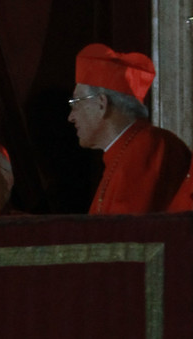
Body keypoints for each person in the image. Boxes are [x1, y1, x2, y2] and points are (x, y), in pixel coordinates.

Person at [67, 42, 190, 214]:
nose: (71, 117)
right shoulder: (123, 150)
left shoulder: (149, 145)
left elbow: (128, 231)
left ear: (102, 104)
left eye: (76, 103)